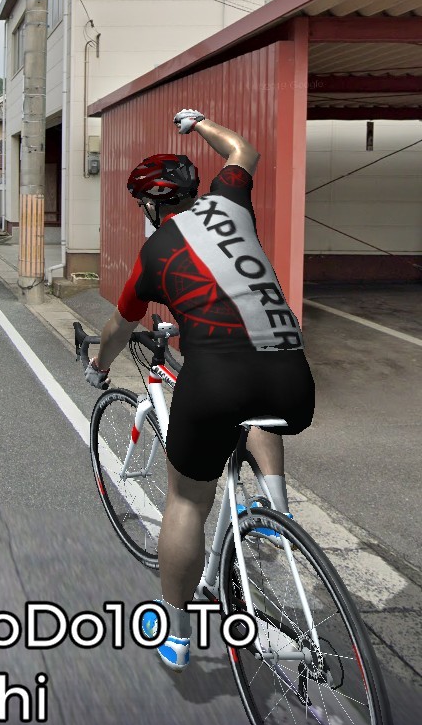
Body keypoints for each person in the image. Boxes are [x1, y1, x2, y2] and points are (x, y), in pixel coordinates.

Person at [84, 110, 315, 672]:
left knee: (187, 502)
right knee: (255, 408)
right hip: (293, 377)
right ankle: (275, 510)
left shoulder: (155, 254)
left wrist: (98, 366)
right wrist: (202, 123)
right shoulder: (231, 202)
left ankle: (177, 631)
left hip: (215, 382)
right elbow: (243, 150)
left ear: (152, 205)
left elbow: (119, 327)